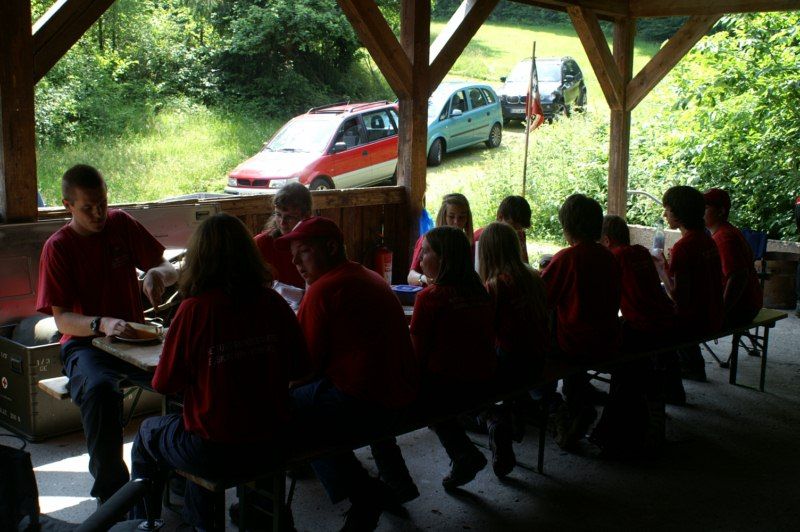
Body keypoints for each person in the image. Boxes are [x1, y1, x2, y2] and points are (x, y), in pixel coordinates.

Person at [130, 213, 307, 529]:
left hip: (217, 451)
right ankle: (229, 514)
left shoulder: (194, 310)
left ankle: (143, 524)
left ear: (199, 259)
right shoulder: (273, 302)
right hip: (274, 441)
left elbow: (164, 383)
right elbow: (301, 368)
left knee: (149, 434)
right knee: (199, 426)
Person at [35, 164, 178, 503]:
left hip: (136, 338)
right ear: (68, 205)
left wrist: (157, 275)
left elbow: (168, 266)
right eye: (88, 207)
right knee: (100, 391)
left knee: (184, 377)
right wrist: (101, 323)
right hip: (86, 345)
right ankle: (112, 499)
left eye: (103, 203)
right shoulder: (58, 247)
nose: (99, 213)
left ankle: (180, 478)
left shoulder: (121, 224)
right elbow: (62, 320)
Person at [276, 217, 419, 531]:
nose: (295, 262)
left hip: (365, 402)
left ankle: (363, 494)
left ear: (330, 247)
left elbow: (302, 368)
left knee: (282, 413)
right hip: (401, 394)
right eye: (293, 255)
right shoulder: (368, 275)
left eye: (303, 252)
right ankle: (392, 485)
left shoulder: (323, 289)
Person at [410, 226, 495, 489]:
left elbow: (417, 356)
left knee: (423, 400)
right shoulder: (480, 291)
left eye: (426, 252)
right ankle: (488, 422)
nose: (420, 258)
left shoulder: (430, 298)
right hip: (485, 377)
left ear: (443, 258)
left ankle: (463, 454)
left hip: (449, 385)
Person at [541, 194, 621, 451]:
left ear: (567, 227)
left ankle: (558, 406)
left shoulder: (567, 258)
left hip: (574, 344)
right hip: (607, 340)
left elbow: (542, 299)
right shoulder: (609, 256)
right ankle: (578, 398)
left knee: (537, 340)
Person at [594, 215, 675, 454]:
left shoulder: (615, 258)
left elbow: (606, 301)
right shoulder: (640, 252)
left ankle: (612, 433)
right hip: (665, 321)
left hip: (643, 327)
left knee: (621, 362)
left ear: (606, 240)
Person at [477, 222, 548, 476]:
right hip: (538, 361)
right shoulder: (533, 276)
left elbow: (486, 332)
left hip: (510, 364)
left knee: (464, 384)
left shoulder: (496, 285)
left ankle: (495, 420)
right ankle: (514, 411)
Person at [655, 186, 723, 383]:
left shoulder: (684, 247)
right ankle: (692, 364)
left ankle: (669, 377)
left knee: (648, 321)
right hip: (714, 313)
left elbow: (679, 297)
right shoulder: (707, 240)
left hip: (696, 322)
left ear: (679, 214)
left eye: (667, 210)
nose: (664, 215)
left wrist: (660, 268)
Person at [408, 193, 475, 286]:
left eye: (461, 217)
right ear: (444, 216)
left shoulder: (469, 244)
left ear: (467, 219)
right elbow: (411, 277)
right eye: (451, 217)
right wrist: (424, 279)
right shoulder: (428, 241)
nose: (456, 222)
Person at [255, 182, 313, 288]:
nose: (282, 223)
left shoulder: (316, 245)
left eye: (289, 217)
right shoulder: (261, 243)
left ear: (306, 216)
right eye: (278, 215)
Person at [474, 195, 533, 263]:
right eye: (513, 227)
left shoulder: (520, 234)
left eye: (521, 228)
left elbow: (524, 264)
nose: (516, 233)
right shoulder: (483, 238)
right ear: (500, 217)